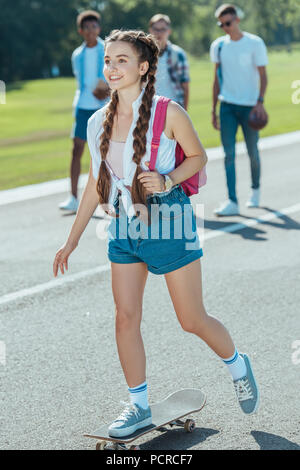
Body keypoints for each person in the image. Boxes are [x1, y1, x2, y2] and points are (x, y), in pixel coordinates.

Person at [53, 29, 259, 438]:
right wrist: (72, 239)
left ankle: (238, 364)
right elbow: (98, 182)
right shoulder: (97, 121)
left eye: (121, 60)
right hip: (125, 227)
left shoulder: (169, 112)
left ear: (143, 67)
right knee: (125, 318)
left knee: (191, 319)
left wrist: (167, 179)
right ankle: (139, 406)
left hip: (171, 222)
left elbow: (199, 158)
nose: (111, 68)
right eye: (108, 60)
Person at [210, 4, 268, 216]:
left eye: (228, 22)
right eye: (221, 24)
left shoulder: (254, 43)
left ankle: (255, 190)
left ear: (237, 20)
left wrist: (260, 101)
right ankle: (232, 201)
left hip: (250, 107)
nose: (225, 27)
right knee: (228, 154)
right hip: (227, 106)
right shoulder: (218, 46)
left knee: (252, 152)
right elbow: (216, 80)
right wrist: (213, 109)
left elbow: (263, 75)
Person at [59, 10, 110, 212]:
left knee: (104, 153)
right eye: (87, 27)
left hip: (103, 107)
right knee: (76, 150)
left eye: (94, 26)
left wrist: (106, 91)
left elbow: (115, 77)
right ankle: (73, 197)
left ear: (99, 28)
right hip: (82, 107)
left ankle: (105, 197)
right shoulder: (77, 55)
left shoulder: (106, 49)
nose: (91, 30)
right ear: (81, 31)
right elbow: (81, 83)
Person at [149, 14, 190, 110]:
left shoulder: (178, 54)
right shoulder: (144, 54)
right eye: (156, 29)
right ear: (150, 30)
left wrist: (185, 111)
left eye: (163, 29)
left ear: (169, 31)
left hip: (173, 106)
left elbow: (185, 86)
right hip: (150, 107)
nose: (159, 33)